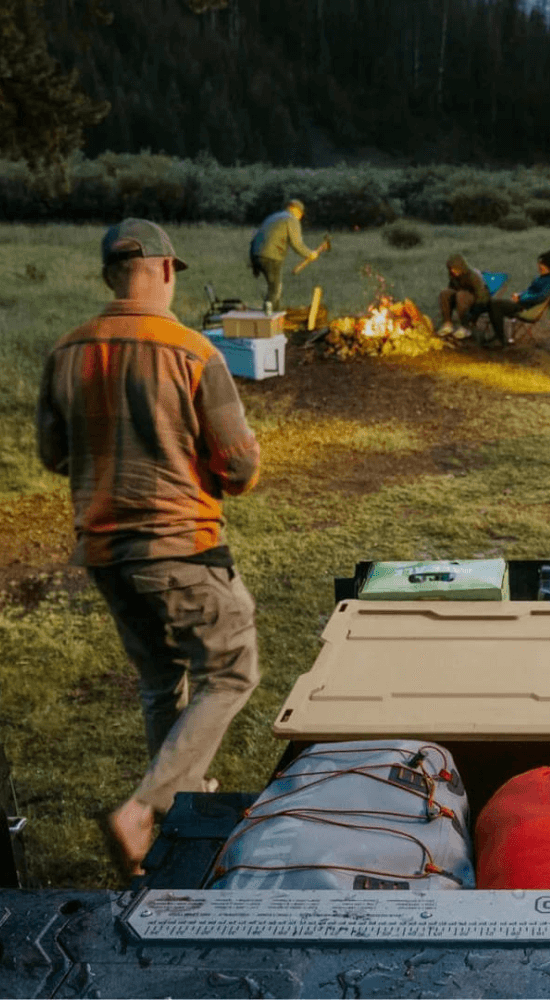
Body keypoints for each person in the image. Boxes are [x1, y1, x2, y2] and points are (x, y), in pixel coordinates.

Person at [36, 218, 262, 879]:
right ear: (166, 270)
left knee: (163, 682)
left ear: (111, 274)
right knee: (233, 668)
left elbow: (54, 454)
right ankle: (145, 809)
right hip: (180, 550)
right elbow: (240, 469)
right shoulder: (194, 352)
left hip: (105, 553)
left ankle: (176, 817)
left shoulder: (67, 351)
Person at [486, 248, 550, 346]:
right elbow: (530, 291)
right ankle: (500, 336)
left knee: (495, 305)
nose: (539, 268)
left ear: (548, 266)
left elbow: (539, 297)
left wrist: (521, 298)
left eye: (541, 266)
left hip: (528, 309)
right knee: (493, 303)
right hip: (524, 304)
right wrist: (519, 295)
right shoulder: (543, 277)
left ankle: (501, 339)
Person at [249, 198, 319, 310]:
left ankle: (273, 314)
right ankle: (269, 319)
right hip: (271, 256)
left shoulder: (274, 217)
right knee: (275, 289)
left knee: (273, 288)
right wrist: (310, 254)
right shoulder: (291, 219)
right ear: (297, 210)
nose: (300, 217)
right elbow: (297, 244)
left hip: (256, 254)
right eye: (301, 214)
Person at [438, 252, 490, 339]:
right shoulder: (454, 276)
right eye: (451, 269)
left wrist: (474, 313)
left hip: (476, 299)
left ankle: (465, 327)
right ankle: (447, 324)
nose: (453, 271)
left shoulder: (472, 276)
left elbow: (482, 295)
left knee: (461, 295)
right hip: (461, 297)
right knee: (445, 293)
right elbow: (452, 288)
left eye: (455, 268)